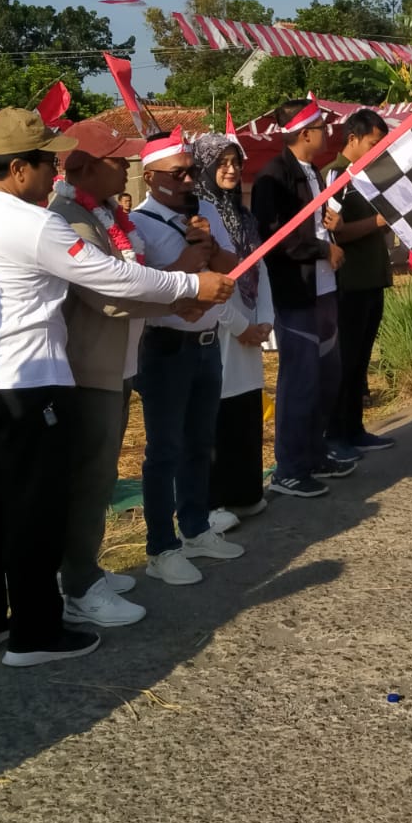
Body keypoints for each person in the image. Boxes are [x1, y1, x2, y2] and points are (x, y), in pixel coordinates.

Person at [0, 109, 231, 667]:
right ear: (19, 168)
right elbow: (110, 275)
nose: (56, 172)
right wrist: (190, 283)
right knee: (36, 507)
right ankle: (37, 632)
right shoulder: (34, 221)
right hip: (32, 377)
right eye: (48, 162)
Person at [50, 119, 156, 627]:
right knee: (88, 477)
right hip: (90, 368)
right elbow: (107, 295)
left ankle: (85, 566)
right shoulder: (69, 218)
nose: (129, 169)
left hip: (118, 363)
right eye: (120, 161)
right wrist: (179, 293)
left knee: (103, 472)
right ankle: (78, 585)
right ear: (84, 167)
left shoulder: (108, 213)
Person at [130, 129, 247, 586]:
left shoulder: (201, 216)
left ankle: (195, 527)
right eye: (176, 174)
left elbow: (231, 265)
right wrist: (185, 262)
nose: (186, 181)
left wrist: (209, 247)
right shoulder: (137, 225)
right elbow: (137, 285)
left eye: (191, 172)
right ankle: (161, 547)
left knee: (201, 443)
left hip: (205, 344)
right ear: (149, 177)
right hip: (165, 347)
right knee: (164, 451)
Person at [251, 97, 351, 499]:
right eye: (323, 129)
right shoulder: (272, 177)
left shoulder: (313, 173)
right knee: (301, 380)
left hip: (324, 288)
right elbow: (276, 239)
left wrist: (334, 228)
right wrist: (321, 250)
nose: (328, 134)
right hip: (296, 292)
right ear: (306, 133)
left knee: (328, 377)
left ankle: (314, 452)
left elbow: (315, 227)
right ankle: (289, 468)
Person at [193, 133, 275, 524]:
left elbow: (259, 267)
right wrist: (240, 325)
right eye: (221, 162)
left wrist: (264, 321)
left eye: (235, 162)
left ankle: (245, 493)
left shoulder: (242, 214)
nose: (230, 169)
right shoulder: (200, 214)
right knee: (218, 415)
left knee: (246, 412)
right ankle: (215, 503)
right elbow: (206, 276)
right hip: (222, 328)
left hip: (250, 328)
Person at [327, 109, 396, 455]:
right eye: (373, 142)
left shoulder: (368, 177)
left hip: (371, 280)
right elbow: (332, 233)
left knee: (360, 361)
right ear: (352, 139)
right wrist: (379, 221)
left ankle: (354, 429)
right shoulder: (336, 177)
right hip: (348, 284)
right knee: (345, 361)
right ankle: (336, 434)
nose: (378, 149)